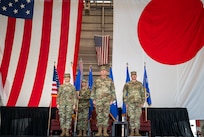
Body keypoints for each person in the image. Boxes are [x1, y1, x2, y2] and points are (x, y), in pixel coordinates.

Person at [91, 65, 116, 136]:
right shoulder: (96, 80)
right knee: (99, 116)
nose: (103, 72)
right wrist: (93, 99)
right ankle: (99, 131)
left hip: (107, 101)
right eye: (102, 71)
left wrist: (112, 99)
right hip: (98, 100)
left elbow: (113, 90)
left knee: (105, 115)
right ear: (100, 72)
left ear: (106, 72)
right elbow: (93, 90)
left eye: (104, 71)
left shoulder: (110, 80)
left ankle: (105, 131)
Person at [123, 71, 145, 136]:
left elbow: (142, 93)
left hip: (138, 103)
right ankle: (132, 131)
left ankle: (137, 131)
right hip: (130, 103)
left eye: (135, 75)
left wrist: (142, 102)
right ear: (131, 76)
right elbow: (124, 93)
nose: (134, 76)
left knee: (137, 117)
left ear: (136, 76)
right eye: (133, 75)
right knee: (132, 117)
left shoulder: (140, 84)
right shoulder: (127, 84)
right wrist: (126, 102)